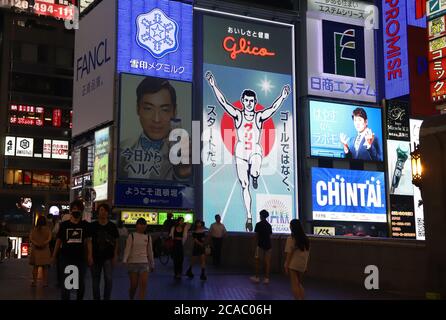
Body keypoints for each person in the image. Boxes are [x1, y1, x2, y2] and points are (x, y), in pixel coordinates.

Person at [206, 71, 291, 231]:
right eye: (246, 101)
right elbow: (223, 102)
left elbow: (272, 109)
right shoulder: (238, 115)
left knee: (256, 168)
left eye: (252, 101)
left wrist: (283, 96)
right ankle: (249, 217)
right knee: (245, 185)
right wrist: (213, 85)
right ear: (243, 102)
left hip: (255, 151)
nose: (249, 103)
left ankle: (256, 175)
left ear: (255, 102)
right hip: (240, 153)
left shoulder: (259, 117)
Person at [119, 76, 191, 181]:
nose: (156, 119)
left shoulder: (189, 151)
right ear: (138, 109)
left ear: (174, 111)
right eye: (148, 109)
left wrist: (183, 172)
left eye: (164, 110)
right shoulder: (122, 149)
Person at [52, 200, 92, 300]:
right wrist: (53, 256)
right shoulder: (64, 225)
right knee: (66, 284)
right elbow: (58, 241)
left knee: (80, 283)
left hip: (80, 258)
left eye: (78, 209)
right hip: (66, 257)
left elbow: (88, 241)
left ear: (82, 211)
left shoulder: (85, 225)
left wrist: (90, 255)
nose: (76, 211)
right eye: (74, 209)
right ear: (70, 211)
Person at [89, 204, 119, 300]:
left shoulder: (112, 226)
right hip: (95, 256)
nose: (103, 212)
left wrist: (115, 255)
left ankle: (107, 298)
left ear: (108, 213)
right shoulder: (92, 226)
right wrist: (89, 255)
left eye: (105, 210)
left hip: (108, 257)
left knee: (109, 280)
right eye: (101, 210)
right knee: (95, 280)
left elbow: (116, 242)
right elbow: (89, 241)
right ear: (98, 212)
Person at [122, 218, 154, 300]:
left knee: (143, 285)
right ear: (136, 225)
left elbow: (150, 251)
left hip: (144, 263)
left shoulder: (148, 237)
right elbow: (127, 249)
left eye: (144, 224)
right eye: (140, 224)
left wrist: (152, 263)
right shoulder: (131, 236)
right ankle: (131, 297)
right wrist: (125, 260)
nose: (142, 226)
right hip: (133, 263)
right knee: (134, 285)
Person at [284, 219, 310, 300]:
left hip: (293, 263)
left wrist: (286, 264)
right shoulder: (305, 239)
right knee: (299, 283)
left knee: (294, 284)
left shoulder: (291, 238)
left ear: (292, 227)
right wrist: (306, 266)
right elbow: (307, 253)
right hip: (302, 263)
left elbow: (289, 253)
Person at [250, 210, 272, 284]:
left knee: (257, 261)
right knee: (267, 262)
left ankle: (257, 277)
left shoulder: (258, 224)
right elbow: (269, 236)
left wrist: (254, 245)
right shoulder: (269, 225)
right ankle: (267, 278)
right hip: (268, 245)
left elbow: (256, 236)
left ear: (261, 216)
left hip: (260, 245)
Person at [29, 216, 52, 287]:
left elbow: (31, 238)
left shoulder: (34, 229)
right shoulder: (47, 229)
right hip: (45, 250)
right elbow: (49, 238)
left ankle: (34, 282)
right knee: (45, 267)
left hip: (36, 250)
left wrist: (36, 243)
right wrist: (44, 243)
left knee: (35, 267)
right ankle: (44, 282)